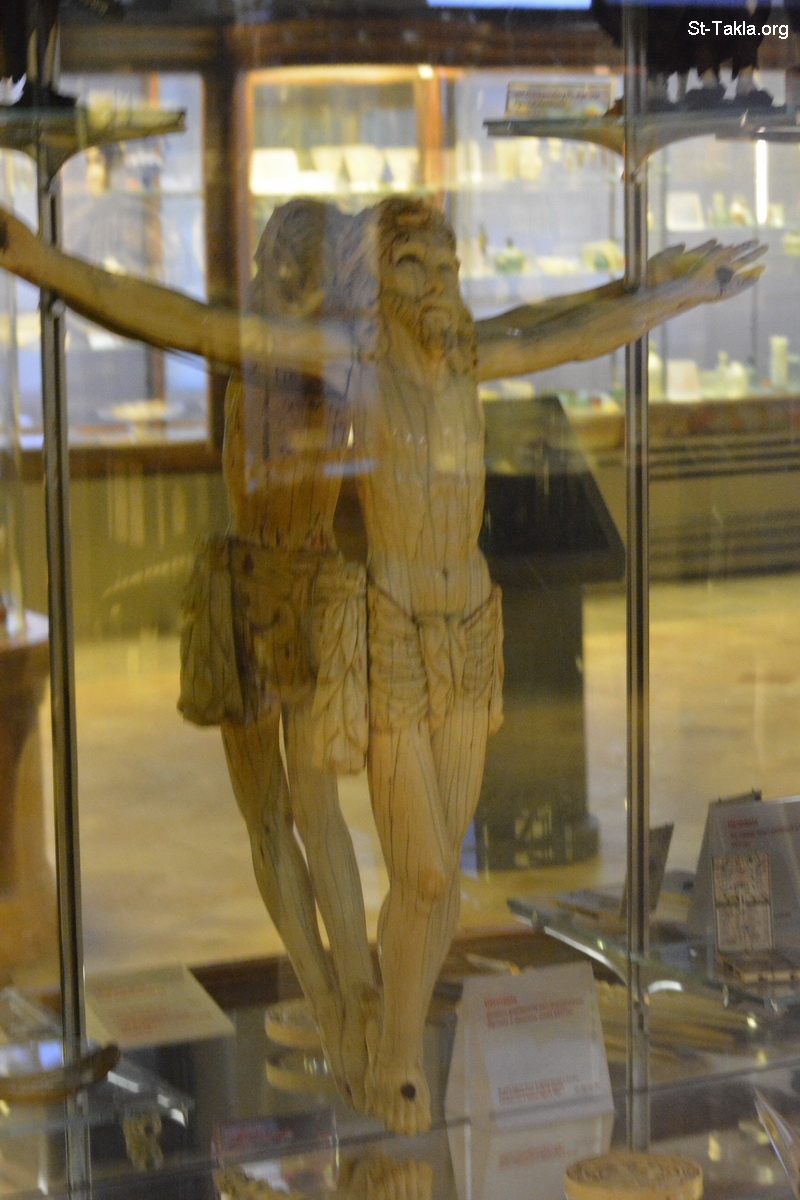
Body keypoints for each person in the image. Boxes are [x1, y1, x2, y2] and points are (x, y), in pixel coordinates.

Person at [0, 198, 764, 1133]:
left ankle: (380, 1032)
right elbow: (187, 323)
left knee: (422, 880)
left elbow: (557, 326)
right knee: (406, 866)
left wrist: (663, 290)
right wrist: (44, 264)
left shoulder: (465, 355)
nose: (437, 287)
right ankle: (379, 1039)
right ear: (373, 287)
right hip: (379, 619)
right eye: (412, 269)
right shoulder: (345, 359)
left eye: (446, 270)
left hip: (466, 623)